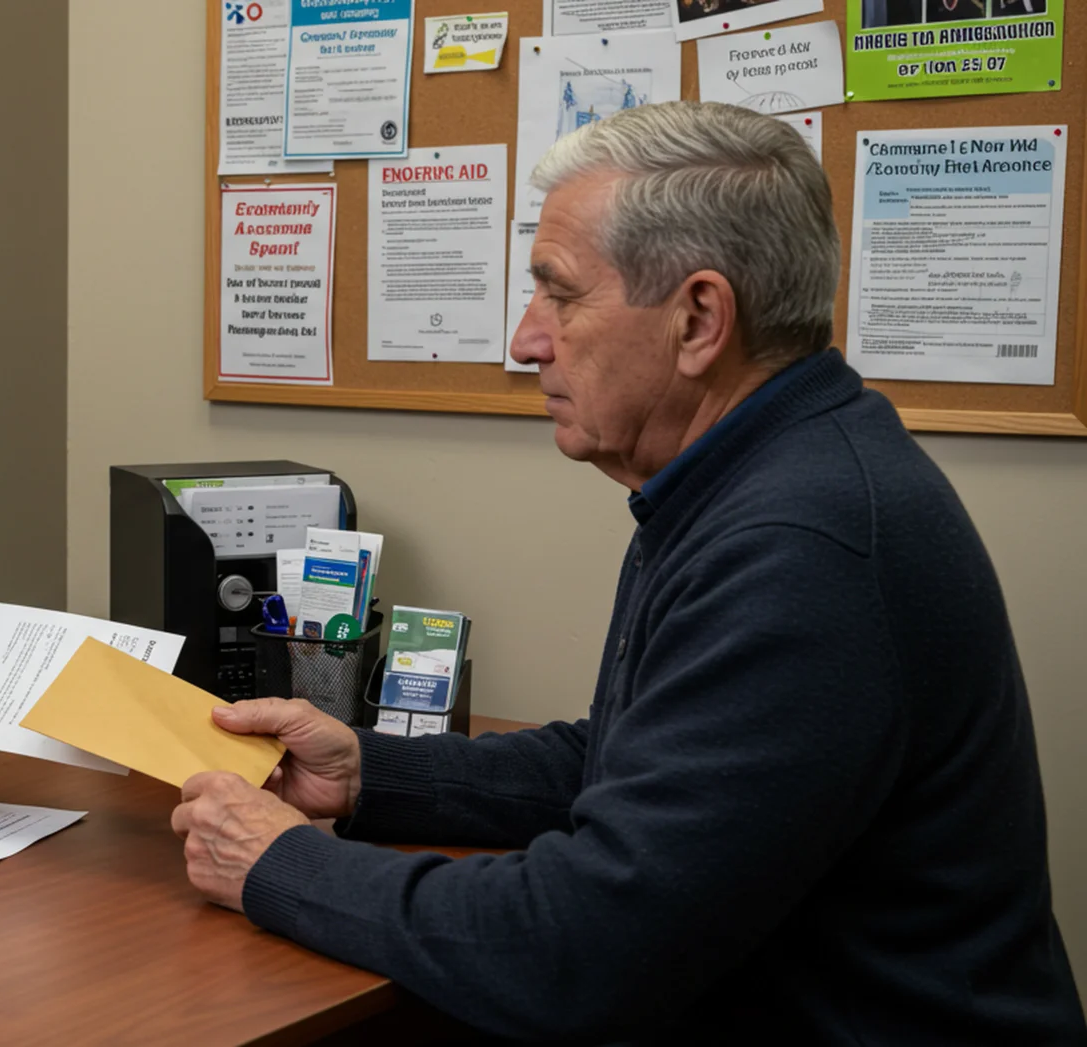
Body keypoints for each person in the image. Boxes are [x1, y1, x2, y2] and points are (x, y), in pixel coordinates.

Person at [170, 101, 1086, 1041]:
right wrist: (371, 774)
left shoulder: (802, 544)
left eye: (559, 294)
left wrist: (280, 861)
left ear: (698, 318)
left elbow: (574, 949)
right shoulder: (766, 470)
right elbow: (635, 759)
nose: (527, 340)